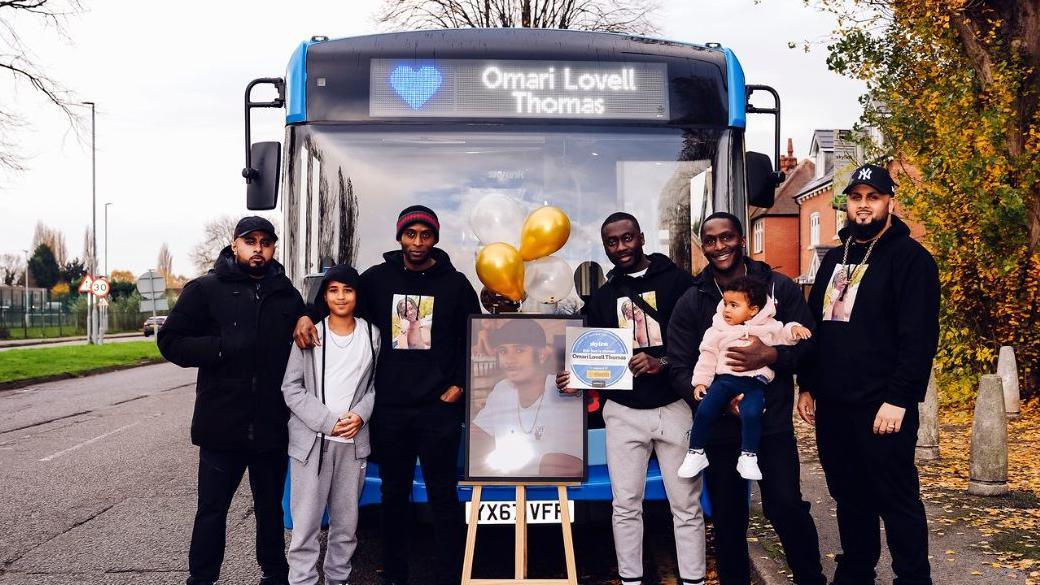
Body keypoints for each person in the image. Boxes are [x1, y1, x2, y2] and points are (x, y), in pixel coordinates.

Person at [294, 205, 479, 585]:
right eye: (410, 234)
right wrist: (305, 315)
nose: (417, 242)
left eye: (425, 235)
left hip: (438, 409)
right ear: (399, 237)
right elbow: (334, 299)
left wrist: (460, 383)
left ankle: (450, 574)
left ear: (435, 239)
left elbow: (475, 337)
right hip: (390, 409)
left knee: (443, 495)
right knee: (394, 496)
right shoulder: (377, 280)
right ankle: (394, 574)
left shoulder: (455, 284)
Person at [667, 212, 826, 585]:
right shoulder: (693, 300)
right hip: (719, 430)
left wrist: (771, 356)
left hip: (769, 424)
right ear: (702, 246)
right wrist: (713, 399)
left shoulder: (778, 288)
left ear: (741, 239)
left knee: (785, 506)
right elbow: (679, 364)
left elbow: (811, 345)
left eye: (726, 237)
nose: (719, 246)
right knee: (727, 518)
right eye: (710, 240)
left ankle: (811, 578)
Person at [800, 164, 939, 585]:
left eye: (872, 197)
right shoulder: (831, 260)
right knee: (848, 496)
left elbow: (919, 337)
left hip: (883, 407)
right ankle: (857, 571)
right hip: (835, 406)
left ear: (889, 202)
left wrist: (899, 398)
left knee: (896, 499)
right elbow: (814, 327)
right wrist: (807, 385)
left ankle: (913, 578)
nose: (863, 205)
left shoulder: (911, 260)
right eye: (856, 197)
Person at [556, 212, 704, 585]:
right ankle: (631, 580)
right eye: (612, 242)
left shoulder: (678, 283)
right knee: (624, 506)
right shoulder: (604, 297)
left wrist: (664, 361)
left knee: (685, 505)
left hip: (675, 407)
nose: (620, 248)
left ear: (640, 237)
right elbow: (593, 355)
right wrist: (576, 380)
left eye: (626, 239)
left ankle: (694, 579)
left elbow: (702, 342)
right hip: (622, 412)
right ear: (605, 246)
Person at [158, 216, 305, 585]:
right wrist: (221, 348)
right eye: (250, 241)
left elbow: (305, 336)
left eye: (265, 242)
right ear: (235, 244)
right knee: (212, 510)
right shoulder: (206, 289)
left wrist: (305, 316)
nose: (258, 249)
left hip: (272, 424)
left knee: (270, 509)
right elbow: (170, 341)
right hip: (222, 426)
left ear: (273, 247)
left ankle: (274, 575)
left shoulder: (286, 294)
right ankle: (202, 579)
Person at [281, 264, 380, 585]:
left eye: (347, 290)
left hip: (352, 447)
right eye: (333, 290)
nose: (340, 297)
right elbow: (291, 388)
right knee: (306, 526)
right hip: (312, 447)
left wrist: (361, 414)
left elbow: (375, 387)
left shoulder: (371, 335)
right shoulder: (309, 333)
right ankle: (303, 581)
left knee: (346, 527)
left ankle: (339, 579)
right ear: (324, 295)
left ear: (357, 295)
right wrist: (326, 421)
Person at [678, 275, 812, 481]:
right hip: (724, 382)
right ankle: (695, 452)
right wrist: (701, 382)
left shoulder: (768, 327)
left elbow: (784, 333)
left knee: (752, 413)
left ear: (753, 310)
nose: (726, 310)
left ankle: (748, 456)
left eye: (734, 305)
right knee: (705, 410)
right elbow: (707, 355)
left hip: (755, 384)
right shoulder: (717, 330)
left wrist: (795, 329)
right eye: (725, 304)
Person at [470, 319, 583, 478]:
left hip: (556, 488)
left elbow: (569, 466)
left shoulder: (563, 387)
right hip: (509, 485)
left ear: (542, 355)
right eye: (503, 351)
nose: (509, 360)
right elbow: (476, 435)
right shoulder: (502, 389)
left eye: (519, 350)